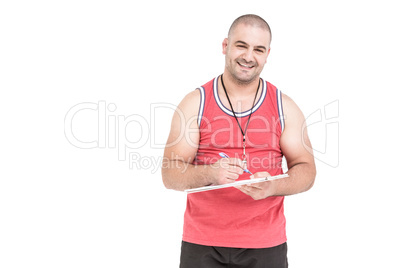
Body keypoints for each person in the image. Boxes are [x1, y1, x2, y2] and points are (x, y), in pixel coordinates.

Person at [162, 14, 316, 268]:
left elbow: (307, 170)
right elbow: (170, 174)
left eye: (258, 49)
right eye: (241, 45)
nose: (248, 56)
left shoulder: (284, 106)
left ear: (267, 55)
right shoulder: (195, 102)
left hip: (266, 244)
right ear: (225, 46)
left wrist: (273, 186)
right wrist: (210, 173)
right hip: (202, 243)